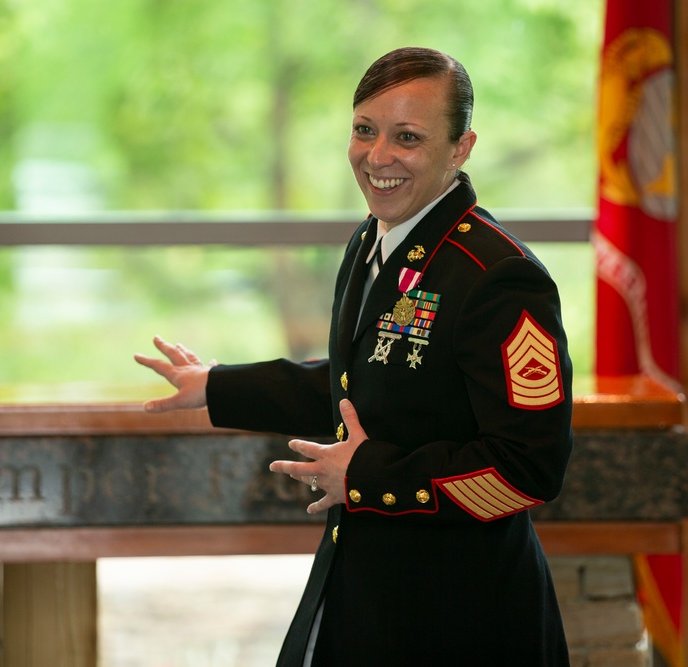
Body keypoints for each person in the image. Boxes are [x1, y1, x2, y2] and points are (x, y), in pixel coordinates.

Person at [134, 46, 573, 666]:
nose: (377, 157)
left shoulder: (498, 277)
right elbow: (359, 384)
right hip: (364, 587)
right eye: (364, 130)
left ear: (461, 148)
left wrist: (366, 477)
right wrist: (216, 385)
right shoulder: (373, 239)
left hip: (464, 613)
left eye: (408, 137)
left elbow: (530, 468)